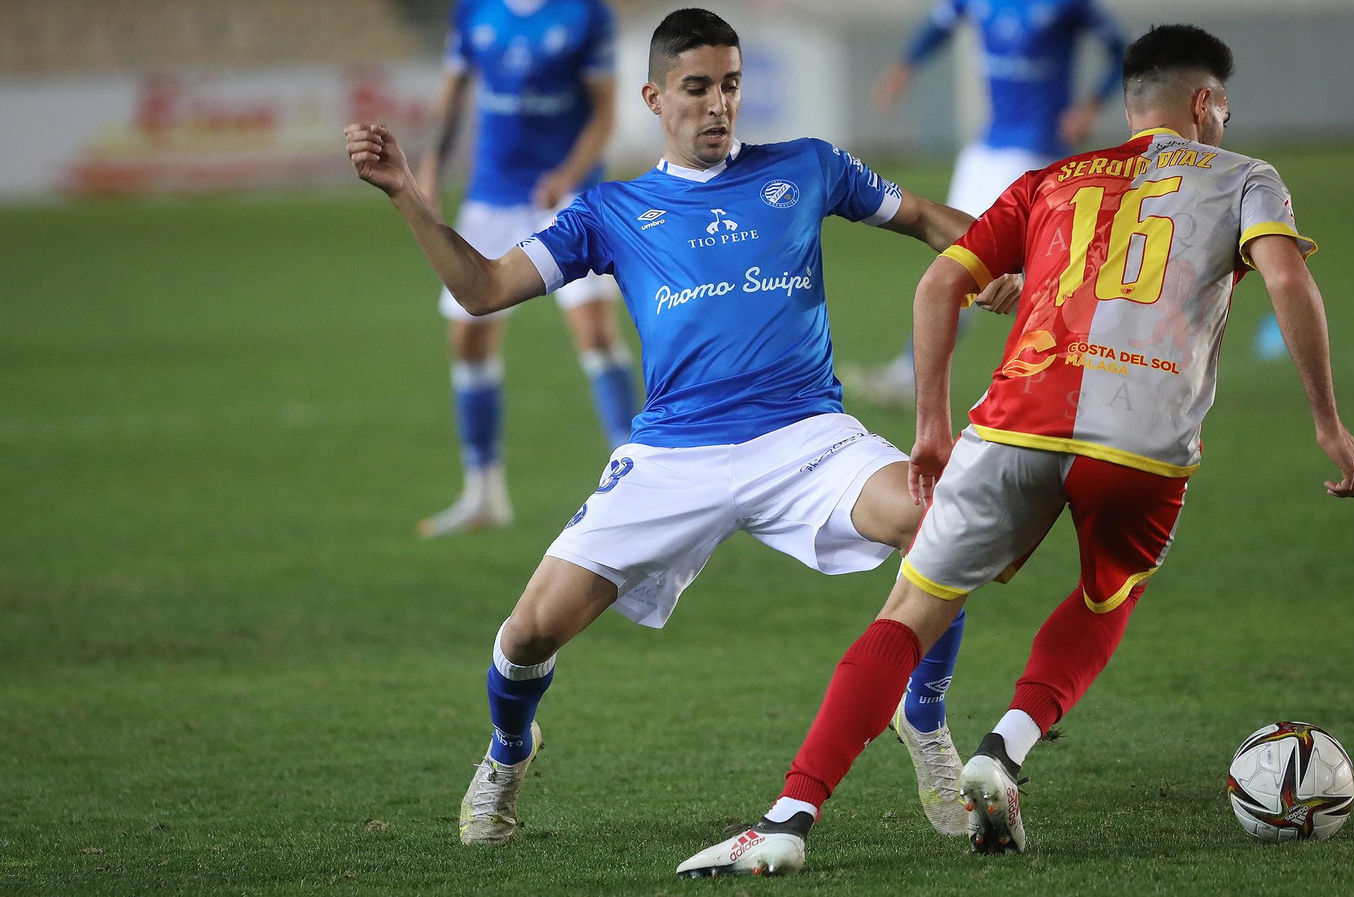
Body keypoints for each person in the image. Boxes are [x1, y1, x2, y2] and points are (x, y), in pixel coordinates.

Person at [679, 23, 1354, 877]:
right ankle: (1003, 750)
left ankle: (788, 819)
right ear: (1204, 103)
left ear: (1128, 106)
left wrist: (932, 424)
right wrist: (1328, 423)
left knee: (907, 614)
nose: (1224, 123)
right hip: (1140, 446)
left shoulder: (1053, 178)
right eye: (1223, 108)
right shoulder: (1246, 178)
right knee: (1107, 595)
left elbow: (941, 281)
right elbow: (1288, 278)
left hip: (1012, 423)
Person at [344, 7, 1024, 848]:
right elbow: (483, 289)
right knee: (526, 635)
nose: (718, 106)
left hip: (806, 437)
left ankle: (921, 715)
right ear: (655, 97)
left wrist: (994, 259)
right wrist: (410, 195)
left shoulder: (807, 168)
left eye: (730, 86)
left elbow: (928, 218)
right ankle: (509, 749)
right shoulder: (611, 211)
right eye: (697, 88)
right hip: (673, 453)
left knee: (944, 517)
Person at [414, 0, 639, 537]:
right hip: (492, 195)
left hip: (567, 196)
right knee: (468, 340)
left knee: (595, 331)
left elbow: (606, 111)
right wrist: (428, 167)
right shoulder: (475, 11)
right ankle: (484, 494)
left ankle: (637, 483)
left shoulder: (585, 15)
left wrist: (570, 174)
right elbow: (453, 95)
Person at [847, 0, 1126, 407]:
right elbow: (939, 26)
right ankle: (914, 373)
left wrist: (1091, 105)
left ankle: (1087, 372)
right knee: (966, 260)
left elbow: (1121, 49)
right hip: (987, 147)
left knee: (1005, 268)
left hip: (1035, 151)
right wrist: (905, 66)